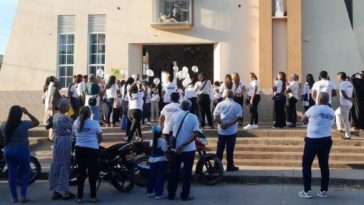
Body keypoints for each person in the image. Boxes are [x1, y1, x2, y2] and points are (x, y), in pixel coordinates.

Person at [298, 92, 334, 199]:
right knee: (324, 165)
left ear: (318, 99)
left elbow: (303, 119)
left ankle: (307, 191)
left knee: (306, 165)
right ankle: (323, 191)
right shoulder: (331, 111)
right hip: (326, 140)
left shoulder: (313, 108)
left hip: (312, 140)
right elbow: (330, 124)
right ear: (327, 100)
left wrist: (301, 115)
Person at [1, 106, 39, 203]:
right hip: (22, 151)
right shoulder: (24, 124)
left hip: (8, 151)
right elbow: (37, 122)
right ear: (21, 114)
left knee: (12, 175)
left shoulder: (4, 125)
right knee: (24, 174)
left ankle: (14, 198)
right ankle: (23, 196)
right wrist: (28, 113)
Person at [168, 100, 199, 201]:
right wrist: (183, 145)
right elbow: (195, 134)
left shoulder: (174, 116)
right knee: (187, 173)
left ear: (180, 107)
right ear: (189, 107)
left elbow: (170, 132)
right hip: (189, 150)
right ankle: (185, 195)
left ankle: (171, 194)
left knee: (174, 172)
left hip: (176, 150)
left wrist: (177, 145)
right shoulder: (193, 117)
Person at [73, 106, 103, 203]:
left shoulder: (76, 123)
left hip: (79, 149)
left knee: (81, 173)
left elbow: (74, 135)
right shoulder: (94, 123)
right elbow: (100, 137)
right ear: (90, 114)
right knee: (92, 173)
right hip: (92, 149)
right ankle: (93, 197)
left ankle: (79, 197)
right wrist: (96, 144)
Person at [48, 99, 75, 200]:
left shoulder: (55, 116)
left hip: (57, 141)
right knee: (64, 165)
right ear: (63, 107)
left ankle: (55, 191)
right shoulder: (66, 118)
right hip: (65, 142)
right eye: (67, 106)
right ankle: (65, 192)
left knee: (56, 164)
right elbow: (74, 128)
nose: (68, 107)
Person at [213, 90, 243, 172]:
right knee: (230, 149)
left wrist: (221, 124)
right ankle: (230, 166)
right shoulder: (237, 105)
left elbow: (215, 117)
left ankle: (216, 166)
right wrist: (230, 124)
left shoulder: (220, 104)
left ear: (225, 96)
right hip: (232, 131)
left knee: (219, 149)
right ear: (233, 96)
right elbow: (238, 117)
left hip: (221, 131)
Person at [146, 126, 168, 200]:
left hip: (152, 160)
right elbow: (165, 150)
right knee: (159, 177)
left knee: (151, 176)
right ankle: (158, 194)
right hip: (161, 160)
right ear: (160, 133)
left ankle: (149, 192)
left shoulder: (151, 141)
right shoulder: (163, 141)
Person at [335, 72, 353, 140]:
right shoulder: (349, 83)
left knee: (345, 120)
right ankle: (339, 128)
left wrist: (348, 98)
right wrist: (350, 99)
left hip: (345, 104)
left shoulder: (342, 84)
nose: (337, 78)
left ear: (340, 77)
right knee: (336, 113)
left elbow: (343, 93)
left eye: (337, 77)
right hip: (349, 104)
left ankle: (347, 136)